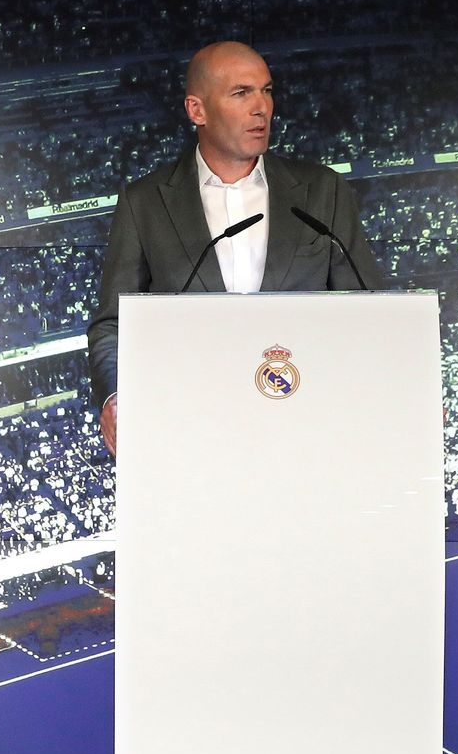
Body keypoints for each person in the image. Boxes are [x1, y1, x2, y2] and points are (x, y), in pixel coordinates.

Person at [86, 41, 387, 456]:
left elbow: (369, 309)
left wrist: (408, 385)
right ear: (197, 110)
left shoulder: (322, 190)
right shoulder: (145, 202)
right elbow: (113, 324)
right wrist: (115, 397)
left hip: (305, 430)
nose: (262, 107)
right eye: (241, 93)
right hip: (196, 434)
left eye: (267, 90)